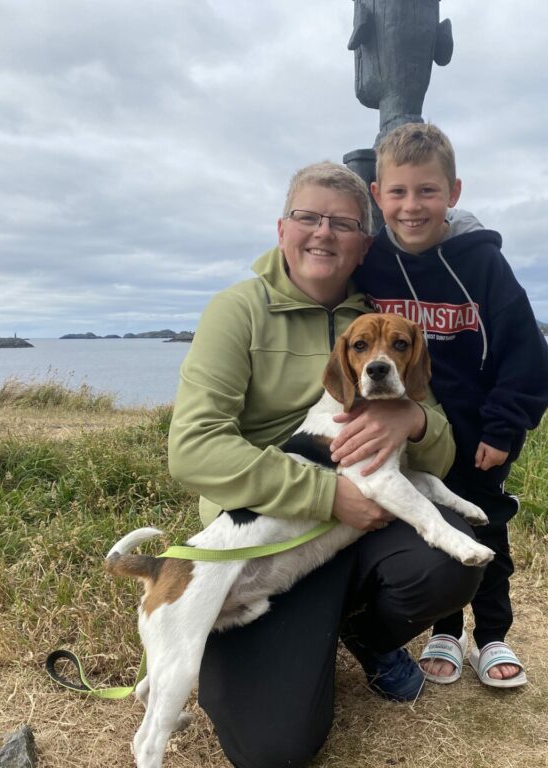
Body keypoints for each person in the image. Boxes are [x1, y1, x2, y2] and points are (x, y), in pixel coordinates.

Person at [167, 161, 484, 768]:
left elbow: (440, 446)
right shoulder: (237, 311)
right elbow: (194, 448)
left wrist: (412, 420)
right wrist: (324, 493)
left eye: (342, 223)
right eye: (308, 218)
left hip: (359, 533)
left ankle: (367, 635)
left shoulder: (383, 322)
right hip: (262, 536)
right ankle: (261, 644)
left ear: (364, 242)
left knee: (450, 561)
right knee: (274, 751)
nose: (323, 233)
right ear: (281, 229)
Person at [352, 123, 548, 688]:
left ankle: (492, 636)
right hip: (413, 433)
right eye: (397, 192)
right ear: (377, 195)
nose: (411, 206)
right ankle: (445, 631)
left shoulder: (484, 265)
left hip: (481, 434)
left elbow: (528, 359)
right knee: (434, 527)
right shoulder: (370, 266)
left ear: (454, 193)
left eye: (427, 191)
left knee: (486, 527)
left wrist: (504, 427)